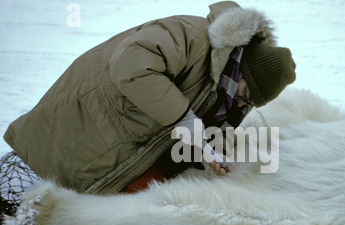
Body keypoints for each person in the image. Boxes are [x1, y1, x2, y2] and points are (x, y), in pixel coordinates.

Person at [3, 1, 296, 195]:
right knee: (144, 201)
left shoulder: (230, 86)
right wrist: (184, 118)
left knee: (165, 196)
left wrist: (210, 155)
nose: (243, 105)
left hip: (130, 140)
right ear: (243, 71)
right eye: (246, 96)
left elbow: (202, 130)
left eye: (251, 103)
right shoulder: (189, 35)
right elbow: (130, 68)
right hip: (86, 124)